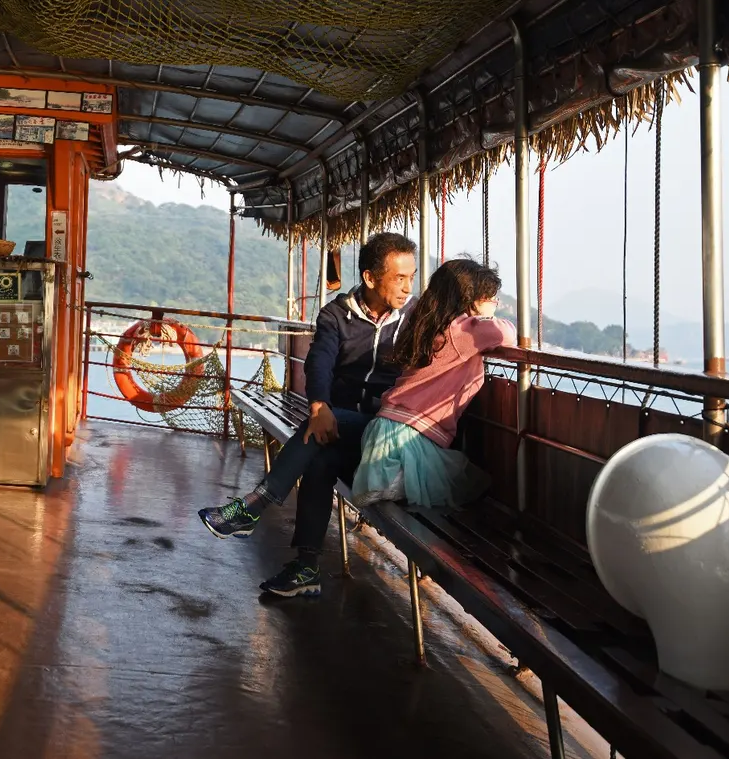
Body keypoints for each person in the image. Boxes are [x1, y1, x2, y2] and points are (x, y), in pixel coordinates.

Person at [196, 231, 417, 598]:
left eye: (411, 277)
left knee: (318, 433)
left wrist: (323, 413)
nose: (408, 287)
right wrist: (319, 405)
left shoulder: (414, 317)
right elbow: (320, 361)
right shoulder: (337, 314)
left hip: (387, 433)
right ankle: (306, 567)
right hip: (347, 432)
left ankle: (254, 506)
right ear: (370, 278)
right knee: (320, 458)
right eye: (399, 278)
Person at [348, 258, 514, 509]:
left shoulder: (425, 325)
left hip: (387, 428)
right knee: (474, 484)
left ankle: (389, 480)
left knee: (463, 483)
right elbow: (507, 333)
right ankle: (396, 482)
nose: (494, 303)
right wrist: (484, 315)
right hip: (411, 436)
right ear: (471, 300)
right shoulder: (463, 331)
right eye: (490, 298)